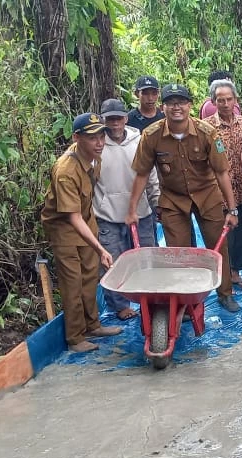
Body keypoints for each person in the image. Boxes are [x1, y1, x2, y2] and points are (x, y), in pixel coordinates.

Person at [127, 84, 242, 312]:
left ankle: (225, 293)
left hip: (207, 195)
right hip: (173, 199)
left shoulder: (207, 133)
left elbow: (221, 172)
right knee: (177, 253)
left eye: (181, 102)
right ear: (164, 107)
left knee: (217, 247)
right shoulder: (151, 136)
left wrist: (232, 209)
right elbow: (141, 174)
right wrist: (132, 210)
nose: (176, 107)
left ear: (190, 105)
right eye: (171, 103)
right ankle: (183, 302)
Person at [40, 113, 122, 352]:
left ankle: (93, 325)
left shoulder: (95, 159)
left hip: (86, 222)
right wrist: (101, 248)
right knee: (72, 283)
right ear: (76, 138)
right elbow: (71, 216)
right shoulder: (65, 170)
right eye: (91, 138)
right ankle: (75, 337)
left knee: (90, 276)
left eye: (101, 136)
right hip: (65, 229)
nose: (99, 142)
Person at [95, 99, 161, 319]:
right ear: (103, 121)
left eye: (118, 118)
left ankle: (151, 297)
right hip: (108, 215)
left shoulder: (139, 141)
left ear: (125, 118)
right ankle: (121, 306)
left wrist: (157, 204)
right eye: (109, 119)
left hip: (141, 212)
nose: (115, 124)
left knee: (147, 258)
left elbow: (151, 177)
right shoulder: (96, 145)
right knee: (113, 262)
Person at [203, 79, 242, 290]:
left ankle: (235, 273)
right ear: (213, 101)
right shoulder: (207, 127)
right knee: (222, 235)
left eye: (228, 99)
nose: (224, 104)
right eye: (220, 100)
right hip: (218, 191)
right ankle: (221, 278)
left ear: (235, 100)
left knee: (241, 234)